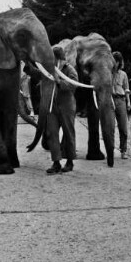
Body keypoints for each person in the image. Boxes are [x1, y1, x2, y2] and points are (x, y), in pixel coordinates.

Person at [45, 46, 78, 174]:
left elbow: (74, 84)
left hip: (67, 106)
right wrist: (30, 69)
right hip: (53, 106)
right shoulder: (50, 69)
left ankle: (70, 162)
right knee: (52, 133)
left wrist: (59, 82)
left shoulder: (69, 69)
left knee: (68, 133)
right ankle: (56, 162)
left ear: (57, 57)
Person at [112, 51, 131, 159]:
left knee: (123, 127)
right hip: (110, 100)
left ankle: (123, 150)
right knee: (110, 128)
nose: (115, 63)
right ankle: (110, 149)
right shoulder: (108, 73)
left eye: (117, 61)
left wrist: (129, 102)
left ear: (119, 62)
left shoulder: (123, 74)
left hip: (121, 100)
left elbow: (126, 88)